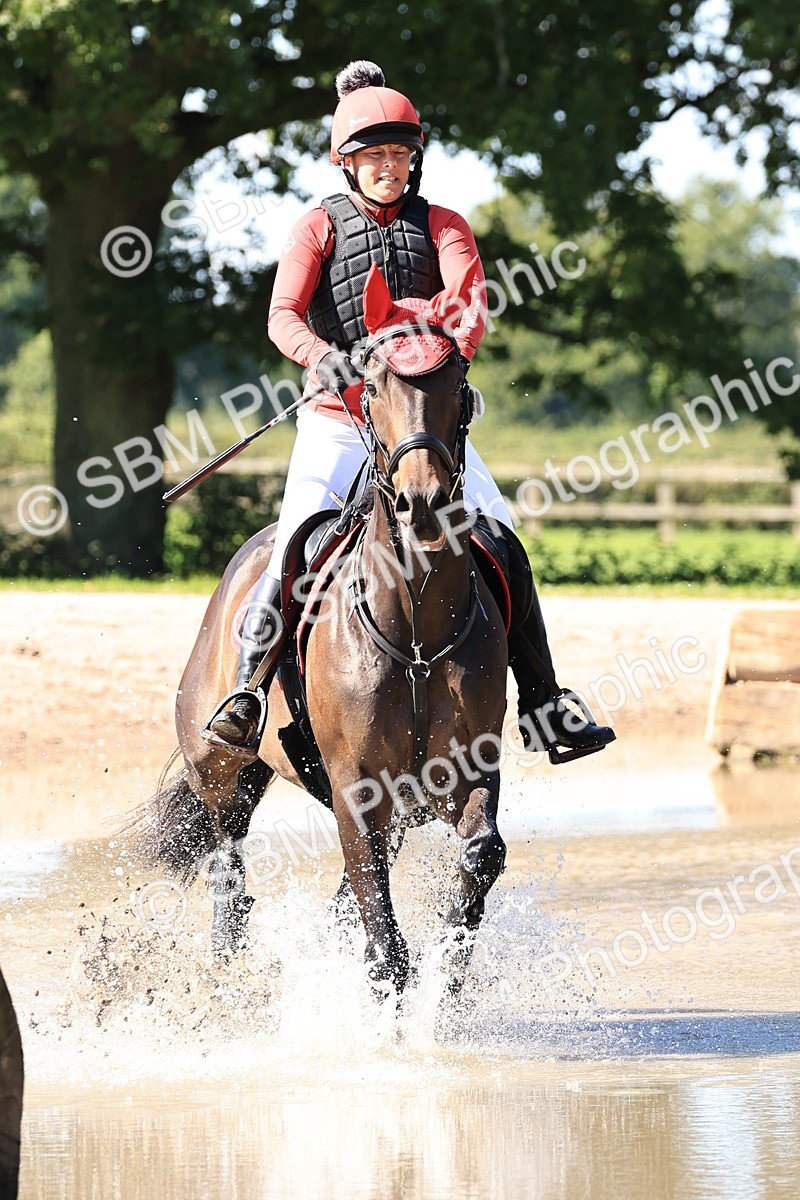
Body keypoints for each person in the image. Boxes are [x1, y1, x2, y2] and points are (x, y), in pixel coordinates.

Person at [204, 60, 615, 761]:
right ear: (348, 163)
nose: (389, 167)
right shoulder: (316, 228)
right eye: (374, 157)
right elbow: (283, 316)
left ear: (413, 158)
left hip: (424, 428)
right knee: (297, 539)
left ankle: (545, 703)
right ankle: (246, 693)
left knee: (502, 536)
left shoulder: (447, 226)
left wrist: (448, 357)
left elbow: (470, 309)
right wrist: (319, 356)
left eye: (399, 154)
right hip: (340, 423)